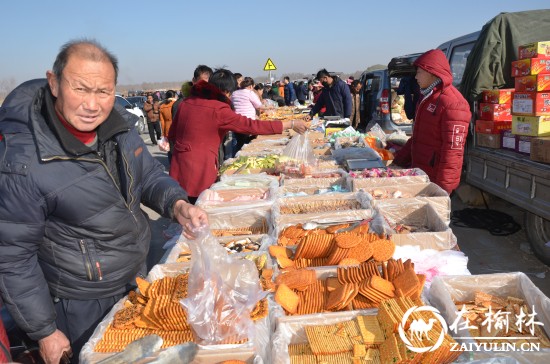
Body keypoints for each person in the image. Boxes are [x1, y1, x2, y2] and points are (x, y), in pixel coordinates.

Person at [0, 39, 208, 364]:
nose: (92, 104)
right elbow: (13, 258)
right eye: (80, 89)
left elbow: (149, 175)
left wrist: (177, 204)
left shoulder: (118, 128)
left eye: (103, 91)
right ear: (54, 83)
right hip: (81, 303)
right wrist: (44, 331)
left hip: (135, 280)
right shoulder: (24, 162)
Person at [168, 69, 308, 203]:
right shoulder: (218, 109)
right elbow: (251, 126)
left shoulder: (186, 103)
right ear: (226, 92)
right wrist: (290, 124)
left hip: (179, 168)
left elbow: (172, 134)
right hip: (200, 172)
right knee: (197, 213)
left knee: (183, 210)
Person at [392, 49, 471, 194]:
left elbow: (453, 152)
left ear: (432, 72)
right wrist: (398, 161)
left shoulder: (454, 104)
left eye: (419, 72)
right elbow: (418, 139)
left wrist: (443, 190)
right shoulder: (427, 98)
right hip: (422, 175)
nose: (416, 77)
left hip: (436, 181)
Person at [231, 77, 264, 153]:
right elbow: (259, 105)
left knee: (239, 143)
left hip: (236, 122)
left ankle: (235, 159)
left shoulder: (234, 93)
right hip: (248, 122)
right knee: (247, 144)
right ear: (251, 86)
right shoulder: (249, 92)